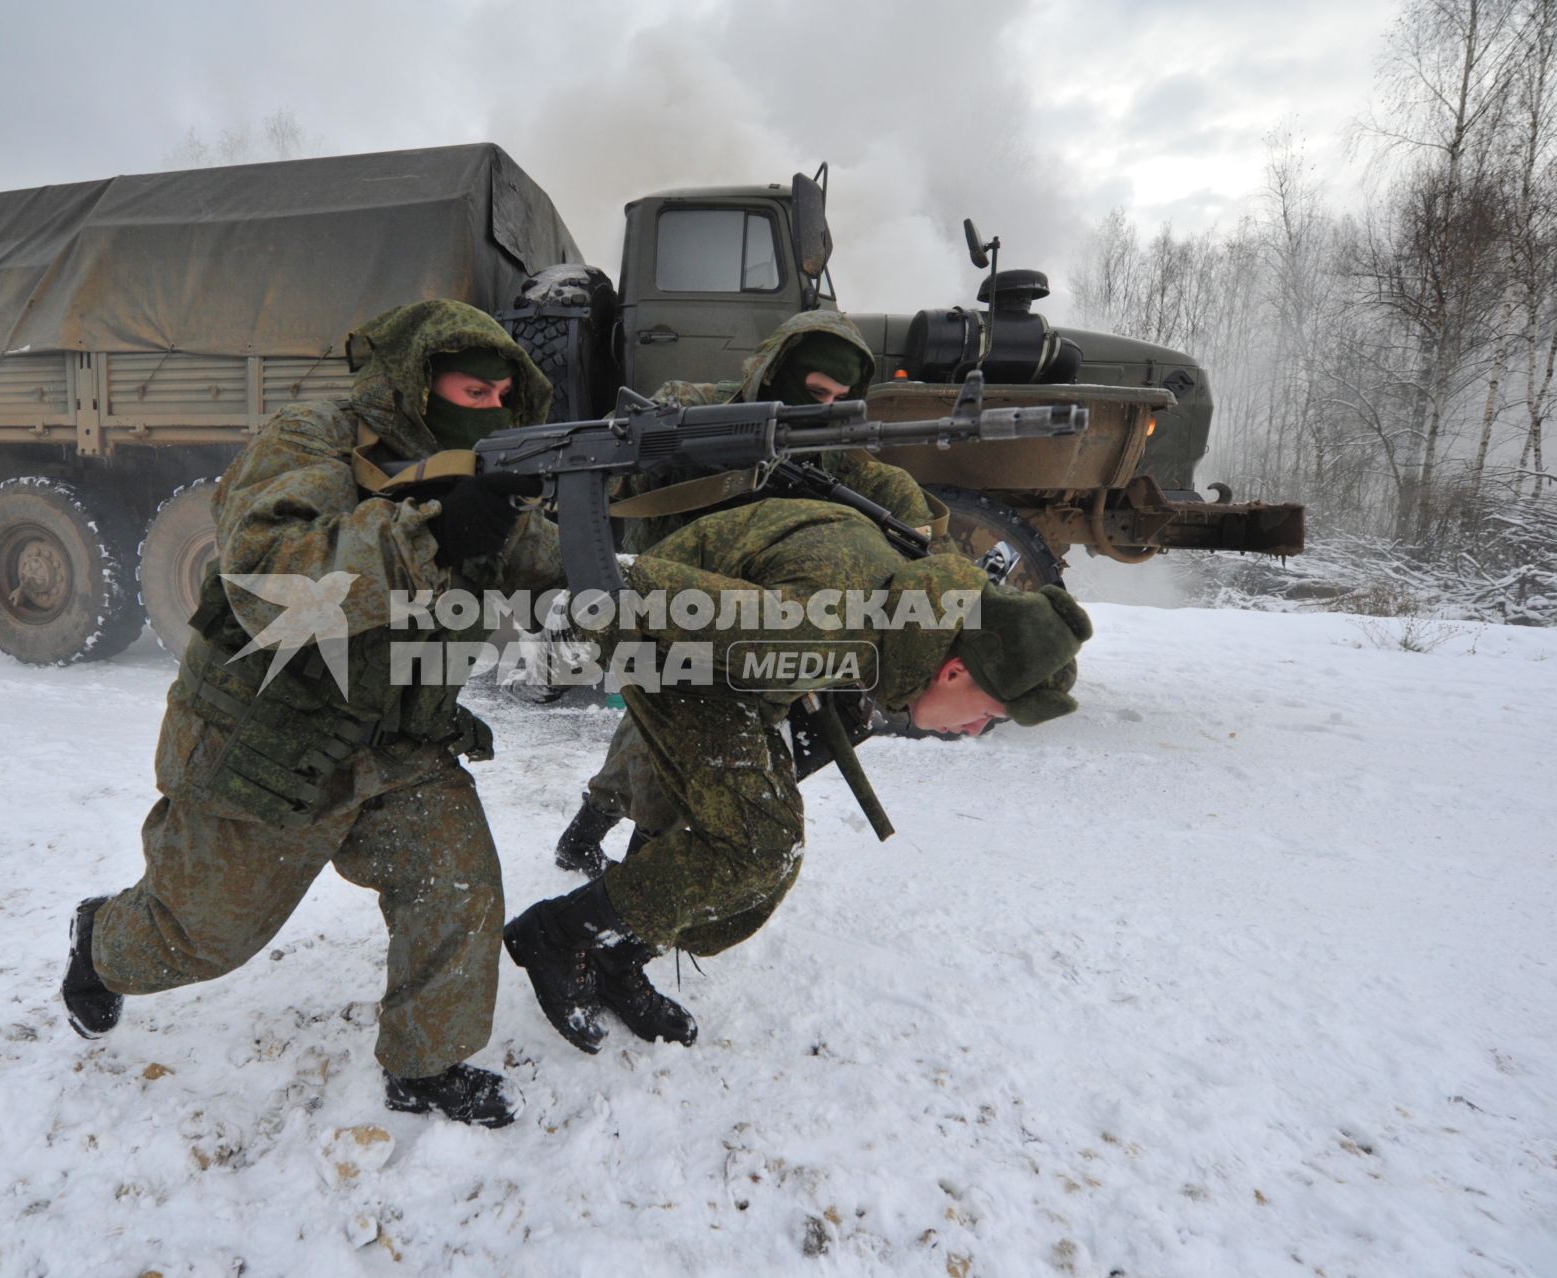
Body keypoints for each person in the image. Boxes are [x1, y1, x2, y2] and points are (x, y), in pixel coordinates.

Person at [61, 299, 560, 1129]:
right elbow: (269, 579)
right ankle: (99, 940)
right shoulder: (313, 440)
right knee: (200, 938)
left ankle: (426, 1065)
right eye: (474, 393)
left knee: (457, 886)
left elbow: (548, 567)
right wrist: (426, 534)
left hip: (399, 746)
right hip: (274, 741)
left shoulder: (481, 476)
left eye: (504, 397)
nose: (492, 410)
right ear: (416, 382)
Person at [503, 499, 1091, 1054]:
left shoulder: (909, 614)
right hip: (680, 657)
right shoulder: (826, 627)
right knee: (756, 844)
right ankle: (555, 936)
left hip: (737, 668)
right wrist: (553, 660)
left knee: (730, 828)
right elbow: (637, 592)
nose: (970, 731)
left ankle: (615, 957)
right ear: (956, 671)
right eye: (986, 715)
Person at [553, 309, 954, 879]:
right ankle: (624, 877)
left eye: (842, 397)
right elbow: (603, 463)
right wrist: (676, 463)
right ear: (772, 371)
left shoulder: (835, 448)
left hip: (751, 624)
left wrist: (923, 541)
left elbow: (891, 494)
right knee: (664, 736)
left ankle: (608, 846)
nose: (824, 408)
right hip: (667, 595)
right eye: (814, 391)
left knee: (671, 738)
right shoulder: (694, 404)